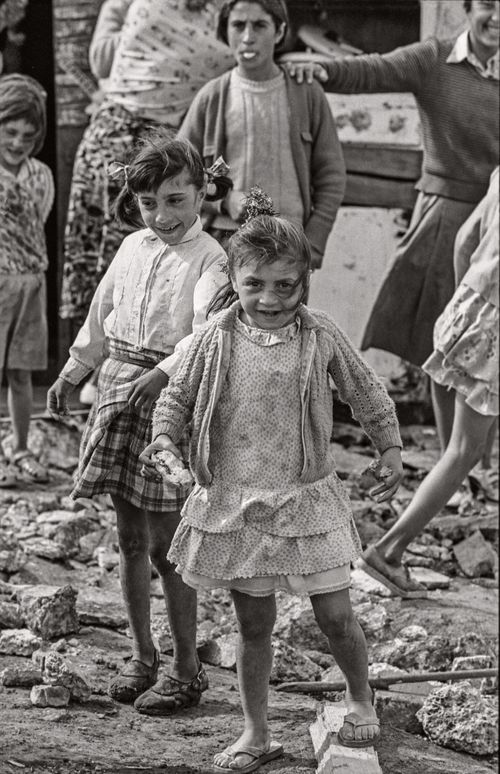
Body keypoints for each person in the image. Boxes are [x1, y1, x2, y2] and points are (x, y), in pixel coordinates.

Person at [139, 194, 404, 762]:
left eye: (286, 285)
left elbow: (364, 390)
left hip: (305, 501)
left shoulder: (320, 335)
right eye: (256, 283)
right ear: (234, 278)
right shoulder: (213, 339)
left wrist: (390, 447)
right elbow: (178, 398)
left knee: (336, 616)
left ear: (305, 282)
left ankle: (361, 701)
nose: (270, 298)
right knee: (253, 625)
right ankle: (255, 732)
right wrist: (165, 439)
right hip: (237, 502)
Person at [47, 134, 229, 713]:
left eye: (177, 200)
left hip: (168, 403)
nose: (163, 215)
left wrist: (166, 374)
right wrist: (75, 370)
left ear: (202, 192)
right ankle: (141, 656)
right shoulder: (130, 247)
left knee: (169, 544)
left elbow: (207, 332)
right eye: (150, 203)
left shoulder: (212, 259)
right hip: (119, 391)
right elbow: (103, 310)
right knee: (128, 538)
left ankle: (185, 668)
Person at [286, 0, 499, 469]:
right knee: (446, 344)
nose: (497, 17)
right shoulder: (434, 58)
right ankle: (456, 462)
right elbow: (372, 72)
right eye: (488, 4)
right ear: (466, 8)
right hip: (447, 218)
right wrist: (321, 71)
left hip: (499, 221)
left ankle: (483, 462)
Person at [357, 167, 499, 598]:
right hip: (495, 327)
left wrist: (469, 300)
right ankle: (388, 551)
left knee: (461, 442)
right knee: (463, 450)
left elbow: (464, 241)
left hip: (473, 305)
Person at [59, 0, 234, 332]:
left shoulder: (229, 11)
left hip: (163, 150)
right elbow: (101, 60)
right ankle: (92, 371)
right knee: (110, 266)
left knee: (153, 267)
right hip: (117, 142)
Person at [178, 0, 346, 268]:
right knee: (220, 311)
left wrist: (313, 243)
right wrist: (222, 200)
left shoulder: (306, 93)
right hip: (225, 240)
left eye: (259, 26)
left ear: (279, 32)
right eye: (238, 25)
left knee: (282, 310)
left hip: (289, 240)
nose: (247, 37)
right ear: (225, 32)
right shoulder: (213, 96)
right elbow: (180, 173)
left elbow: (332, 175)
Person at [0, 74, 54, 488]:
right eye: (9, 131)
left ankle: (20, 448)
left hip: (30, 281)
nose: (17, 142)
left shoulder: (40, 175)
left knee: (21, 371)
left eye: (27, 135)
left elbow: (40, 220)